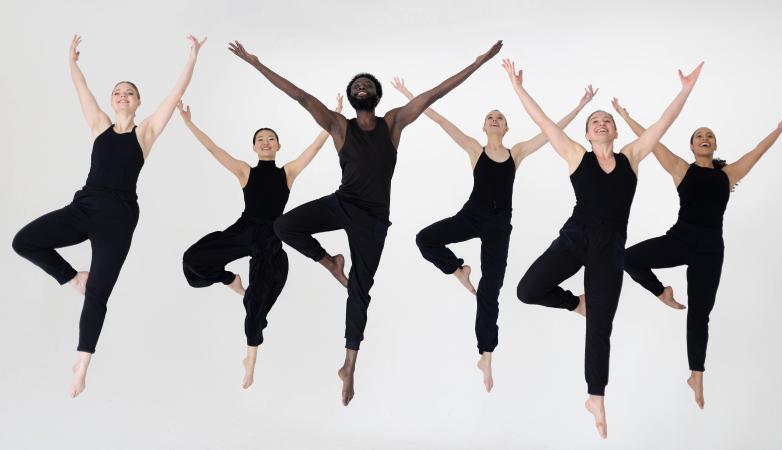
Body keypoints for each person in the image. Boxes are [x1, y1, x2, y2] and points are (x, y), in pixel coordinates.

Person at [228, 39, 503, 405]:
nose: (362, 87)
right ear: (351, 95)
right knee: (283, 226)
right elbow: (301, 96)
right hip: (342, 203)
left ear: (376, 95)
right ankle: (330, 262)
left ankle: (349, 365)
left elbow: (434, 94)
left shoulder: (393, 123)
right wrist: (257, 63)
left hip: (372, 221)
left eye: (368, 85)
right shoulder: (340, 127)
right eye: (357, 85)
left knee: (359, 290)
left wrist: (479, 61)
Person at [503, 58, 703, 438]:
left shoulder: (632, 156)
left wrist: (685, 89)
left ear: (613, 130)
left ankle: (596, 396)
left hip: (610, 250)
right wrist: (517, 87)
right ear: (587, 132)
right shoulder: (576, 155)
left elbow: (663, 123)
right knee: (527, 290)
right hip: (575, 238)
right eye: (595, 121)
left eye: (606, 120)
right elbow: (543, 122)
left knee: (600, 327)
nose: (601, 123)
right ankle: (575, 303)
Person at [11, 35, 205, 397]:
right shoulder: (99, 125)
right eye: (117, 91)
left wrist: (191, 59)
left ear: (138, 101)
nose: (122, 96)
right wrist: (72, 61)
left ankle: (81, 365)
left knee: (99, 293)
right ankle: (73, 278)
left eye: (129, 92)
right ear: (111, 99)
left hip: (118, 219)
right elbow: (81, 89)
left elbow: (172, 95)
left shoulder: (145, 132)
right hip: (84, 207)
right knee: (24, 241)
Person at [391, 77, 597, 392]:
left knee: (490, 290)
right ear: (484, 127)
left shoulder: (516, 153)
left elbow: (549, 132)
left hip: (499, 227)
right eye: (490, 117)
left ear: (506, 128)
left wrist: (580, 106)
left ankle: (486, 355)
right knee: (425, 239)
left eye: (500, 117)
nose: (494, 119)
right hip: (471, 216)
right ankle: (457, 269)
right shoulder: (475, 149)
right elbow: (441, 120)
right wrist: (410, 95)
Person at [616, 99, 782, 409]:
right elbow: (652, 140)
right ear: (692, 145)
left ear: (714, 145)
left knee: (700, 315)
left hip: (710, 250)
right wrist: (626, 116)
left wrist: (778, 129)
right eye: (699, 135)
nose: (705, 138)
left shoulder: (728, 175)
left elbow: (757, 152)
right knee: (627, 258)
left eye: (709, 135)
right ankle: (662, 292)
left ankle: (696, 375)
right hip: (681, 239)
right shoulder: (680, 168)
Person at [178, 95, 343, 389]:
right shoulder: (245, 171)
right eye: (260, 139)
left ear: (278, 146)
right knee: (193, 260)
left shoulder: (288, 173)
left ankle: (250, 360)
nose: (265, 142)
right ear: (254, 147)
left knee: (256, 304)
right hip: (245, 229)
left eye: (271, 139)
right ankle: (230, 278)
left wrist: (333, 117)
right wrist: (190, 124)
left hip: (271, 237)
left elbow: (316, 147)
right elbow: (213, 149)